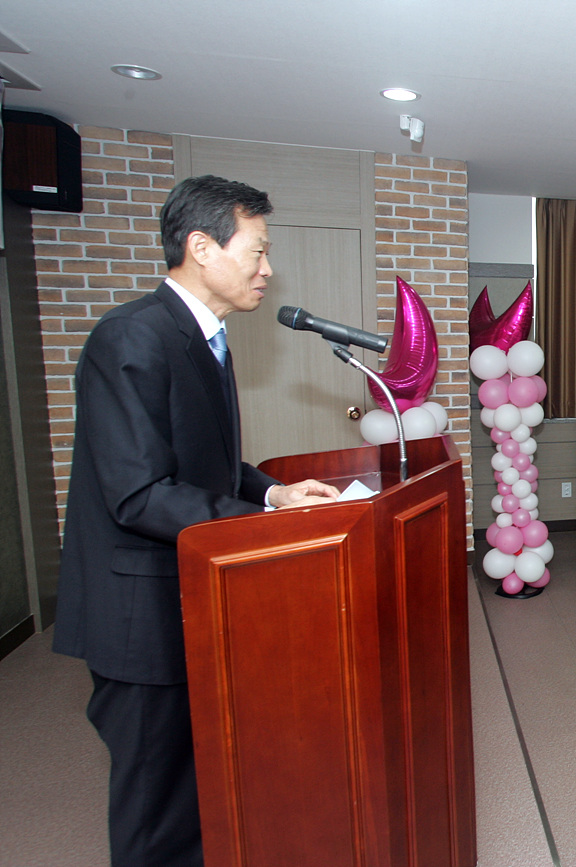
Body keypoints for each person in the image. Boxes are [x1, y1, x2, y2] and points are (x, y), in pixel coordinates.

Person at [51, 175, 342, 867]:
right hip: (139, 612)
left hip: (190, 599)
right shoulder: (131, 338)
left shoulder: (206, 339)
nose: (268, 270)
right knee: (157, 808)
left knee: (195, 790)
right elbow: (140, 491)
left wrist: (273, 493)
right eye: (259, 251)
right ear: (202, 246)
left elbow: (205, 464)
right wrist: (256, 525)